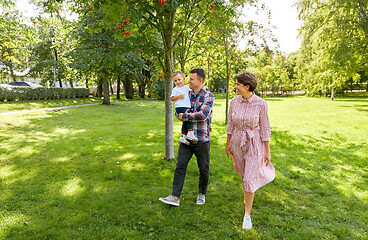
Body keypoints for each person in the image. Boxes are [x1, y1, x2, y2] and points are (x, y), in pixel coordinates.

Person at [225, 72, 275, 230]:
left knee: (248, 179)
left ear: (247, 86)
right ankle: (249, 192)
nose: (235, 86)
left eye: (238, 84)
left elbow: (265, 129)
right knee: (244, 175)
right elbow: (230, 124)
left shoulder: (261, 103)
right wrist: (228, 144)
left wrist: (267, 151)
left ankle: (247, 216)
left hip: (254, 143)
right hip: (237, 142)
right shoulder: (234, 102)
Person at [159, 68, 214, 206]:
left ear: (200, 81)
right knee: (180, 166)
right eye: (188, 78)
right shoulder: (186, 93)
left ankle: (201, 194)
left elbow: (203, 115)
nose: (188, 81)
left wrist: (186, 116)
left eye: (191, 79)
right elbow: (178, 111)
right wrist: (179, 115)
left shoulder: (208, 96)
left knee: (203, 168)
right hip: (187, 139)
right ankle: (175, 196)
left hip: (201, 139)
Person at [170, 71, 198, 145]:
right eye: (175, 81)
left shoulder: (186, 87)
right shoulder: (175, 89)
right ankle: (190, 132)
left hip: (186, 107)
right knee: (189, 118)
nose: (177, 82)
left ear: (184, 79)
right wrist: (179, 97)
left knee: (185, 120)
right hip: (180, 107)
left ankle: (183, 135)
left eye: (179, 79)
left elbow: (193, 91)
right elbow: (172, 98)